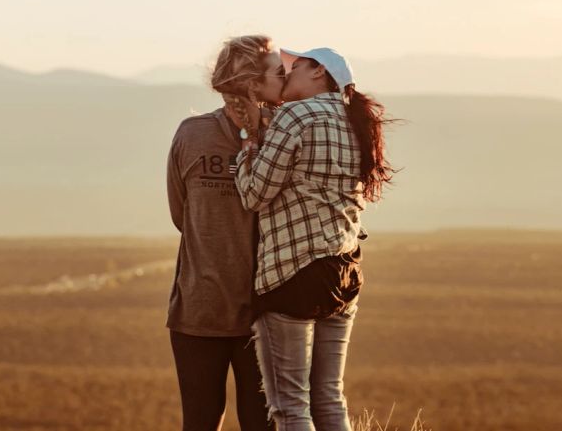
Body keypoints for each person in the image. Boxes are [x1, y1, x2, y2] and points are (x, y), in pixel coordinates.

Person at [232, 47, 396, 431]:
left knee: (290, 406)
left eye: (295, 67)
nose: (286, 75)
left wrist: (246, 149)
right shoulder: (357, 121)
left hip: (294, 271)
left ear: (320, 72)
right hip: (345, 269)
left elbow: (255, 194)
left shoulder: (296, 115)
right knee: (329, 397)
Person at [165, 35, 287, 431]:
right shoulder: (192, 134)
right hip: (199, 312)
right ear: (252, 82)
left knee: (261, 424)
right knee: (200, 422)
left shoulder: (284, 135)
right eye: (277, 71)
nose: (285, 78)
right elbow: (182, 215)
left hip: (265, 315)